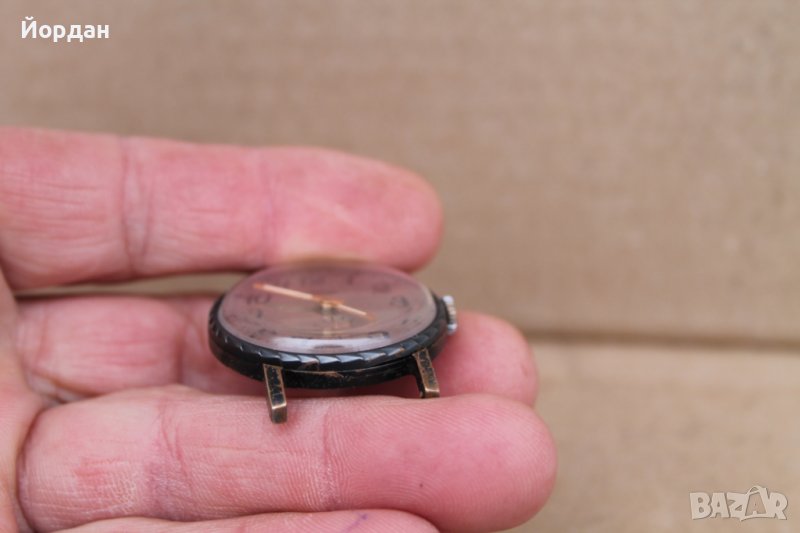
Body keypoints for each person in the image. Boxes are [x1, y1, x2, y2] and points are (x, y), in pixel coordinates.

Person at [0, 128, 556, 532]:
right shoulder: (255, 314)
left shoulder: (407, 311)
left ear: (441, 315)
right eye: (324, 302)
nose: (330, 307)